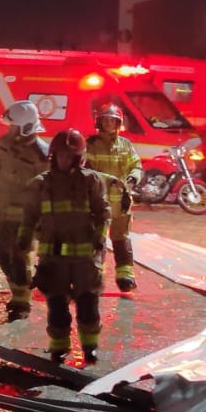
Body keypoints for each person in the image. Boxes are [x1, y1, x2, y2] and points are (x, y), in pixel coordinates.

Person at [22, 129, 110, 362]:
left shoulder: (91, 180)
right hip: (52, 259)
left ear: (78, 157)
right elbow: (29, 217)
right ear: (53, 155)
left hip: (84, 259)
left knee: (88, 304)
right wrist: (23, 245)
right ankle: (59, 347)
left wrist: (100, 239)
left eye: (68, 156)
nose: (63, 160)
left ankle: (90, 346)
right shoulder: (40, 184)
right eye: (60, 155)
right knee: (57, 306)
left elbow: (103, 214)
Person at [0, 101, 52, 322]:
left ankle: (21, 303)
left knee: (19, 259)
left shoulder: (42, 153)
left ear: (26, 127)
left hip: (28, 217)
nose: (9, 129)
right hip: (5, 212)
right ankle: (21, 288)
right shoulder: (4, 143)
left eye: (13, 125)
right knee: (2, 257)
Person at [84, 104, 144, 292]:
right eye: (105, 119)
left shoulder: (125, 145)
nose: (109, 123)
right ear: (99, 121)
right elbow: (84, 170)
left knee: (121, 239)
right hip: (97, 201)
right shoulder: (90, 144)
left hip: (121, 202)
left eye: (113, 120)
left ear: (118, 123)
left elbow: (136, 165)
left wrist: (134, 177)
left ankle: (125, 277)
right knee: (97, 240)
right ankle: (95, 278)